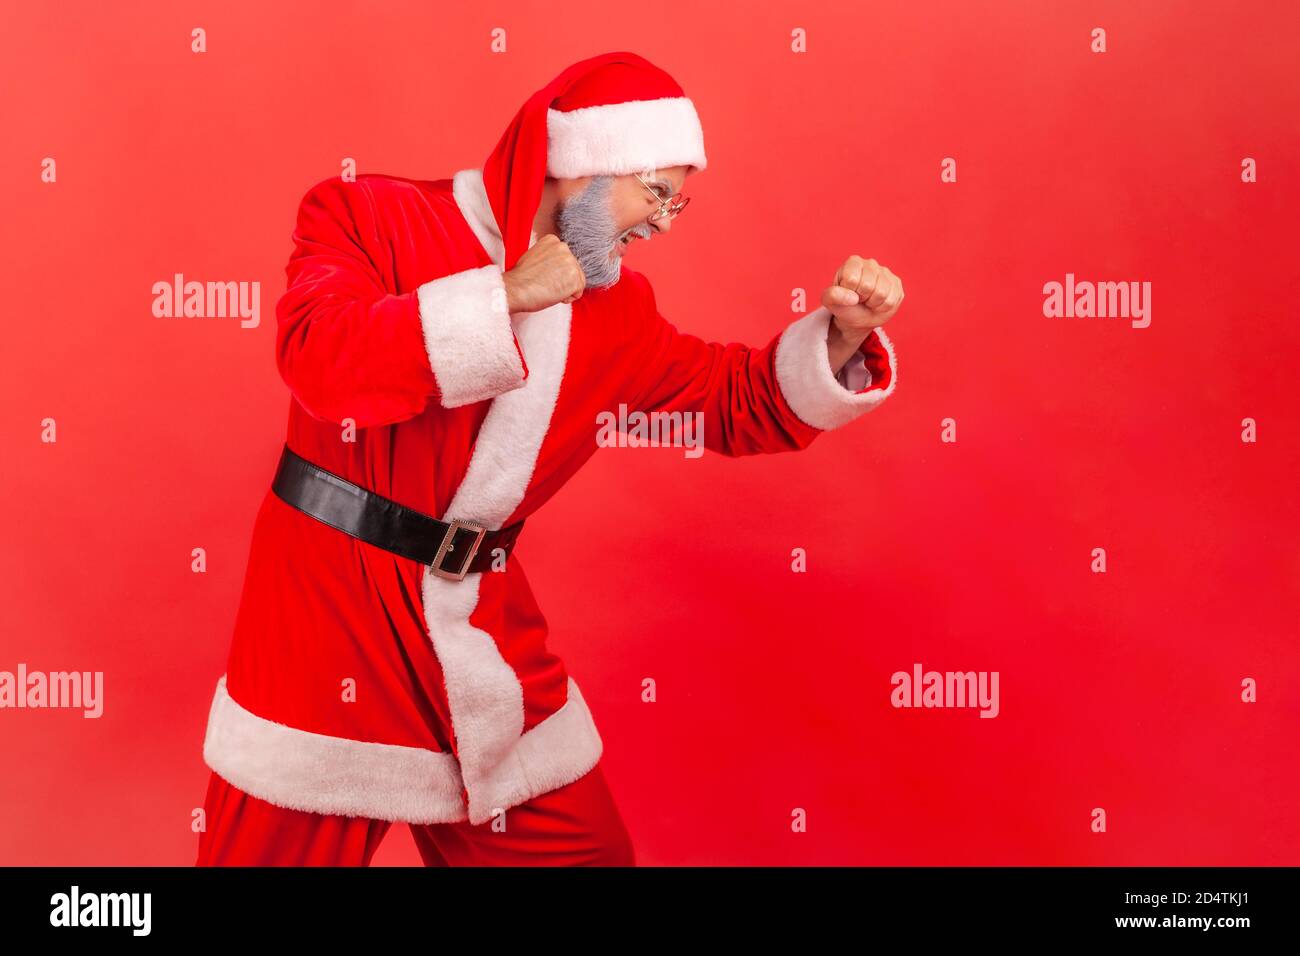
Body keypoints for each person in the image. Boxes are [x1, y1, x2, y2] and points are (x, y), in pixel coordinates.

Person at [196, 50, 904, 867]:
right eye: (658, 192)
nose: (667, 221)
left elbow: (732, 400)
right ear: (584, 167)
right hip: (328, 619)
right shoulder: (367, 213)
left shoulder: (619, 315)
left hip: (479, 635)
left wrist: (842, 339)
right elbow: (320, 359)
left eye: (681, 199)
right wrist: (503, 298)